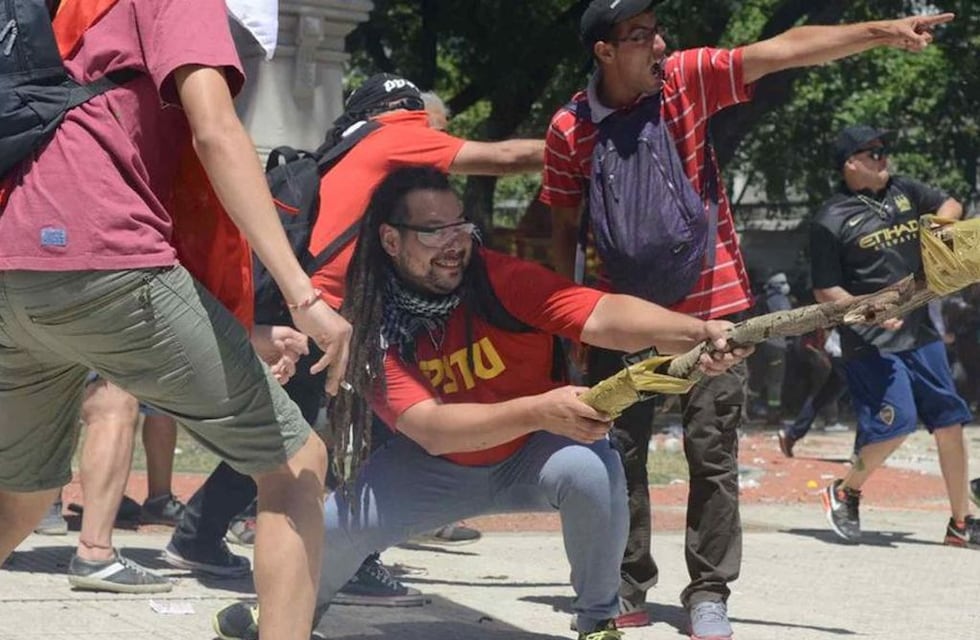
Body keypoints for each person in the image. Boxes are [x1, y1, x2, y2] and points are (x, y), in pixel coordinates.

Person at [541, 1, 956, 636]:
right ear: (604, 51)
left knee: (712, 457)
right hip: (622, 321)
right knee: (616, 457)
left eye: (658, 32)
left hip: (717, 314)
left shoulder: (683, 78)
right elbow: (563, 228)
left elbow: (786, 48)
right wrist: (567, 325)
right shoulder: (569, 128)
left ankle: (708, 591)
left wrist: (881, 33)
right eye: (640, 36)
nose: (658, 45)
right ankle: (626, 583)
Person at [213, 165, 751, 640]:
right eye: (434, 230)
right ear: (392, 240)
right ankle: (285, 620)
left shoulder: (496, 278)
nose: (454, 243)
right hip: (430, 466)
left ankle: (597, 621)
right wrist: (541, 408)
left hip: (530, 455)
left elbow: (601, 315)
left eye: (460, 227)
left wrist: (696, 331)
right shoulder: (364, 316)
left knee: (593, 467)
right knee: (325, 532)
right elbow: (431, 428)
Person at [0, 2, 353, 639]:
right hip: (102, 256)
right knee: (297, 463)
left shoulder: (62, 14)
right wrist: (303, 296)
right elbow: (216, 132)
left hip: (11, 267)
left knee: (19, 497)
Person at [165, 73, 544, 604]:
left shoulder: (350, 144)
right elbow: (504, 157)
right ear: (408, 113)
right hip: (333, 317)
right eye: (434, 128)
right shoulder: (398, 135)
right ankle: (354, 561)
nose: (440, 141)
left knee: (290, 434)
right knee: (369, 438)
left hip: (311, 307)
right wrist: (581, 144)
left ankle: (198, 536)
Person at [810, 123, 978, 549]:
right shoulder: (829, 219)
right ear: (850, 164)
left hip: (919, 330)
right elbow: (825, 288)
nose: (884, 158)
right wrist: (866, 310)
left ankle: (962, 523)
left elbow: (951, 204)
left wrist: (941, 233)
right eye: (873, 153)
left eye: (884, 150)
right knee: (895, 424)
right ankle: (846, 490)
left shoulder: (904, 190)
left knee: (950, 421)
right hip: (869, 339)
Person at [777, 328, 849, 457]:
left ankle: (792, 434)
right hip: (848, 352)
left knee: (824, 395)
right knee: (865, 395)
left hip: (840, 350)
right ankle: (861, 451)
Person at [753, 272, 792, 425]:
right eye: (782, 283)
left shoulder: (763, 300)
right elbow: (790, 320)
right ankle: (773, 415)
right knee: (776, 381)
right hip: (776, 346)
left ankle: (749, 409)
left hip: (762, 345)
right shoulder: (780, 300)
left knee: (758, 378)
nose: (785, 286)